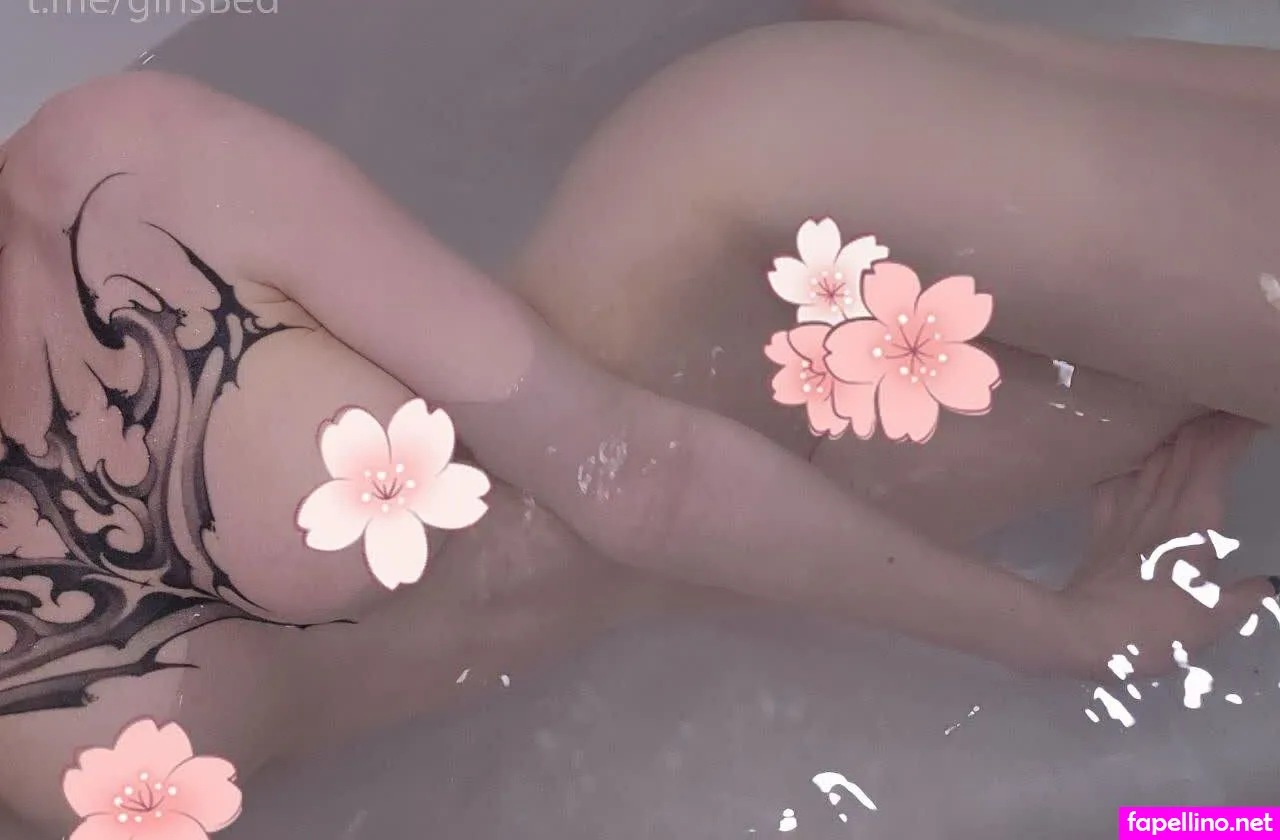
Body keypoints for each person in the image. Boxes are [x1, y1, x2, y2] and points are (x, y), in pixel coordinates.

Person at [0, 4, 1277, 833]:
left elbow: (638, 477)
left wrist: (1067, 636)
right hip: (805, 517)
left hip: (765, 236)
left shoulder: (119, 166)